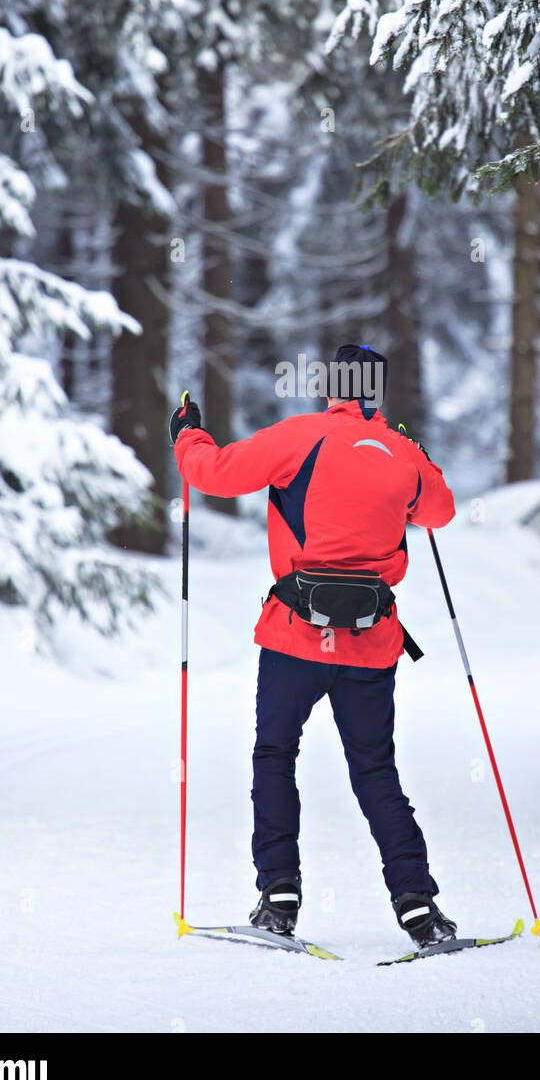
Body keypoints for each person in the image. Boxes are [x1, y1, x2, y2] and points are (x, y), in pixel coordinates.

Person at [169, 343, 457, 947]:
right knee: (376, 770)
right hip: (370, 645)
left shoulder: (301, 436)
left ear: (332, 388)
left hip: (294, 637)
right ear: (377, 392)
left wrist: (188, 434)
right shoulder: (402, 451)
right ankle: (420, 912)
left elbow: (212, 474)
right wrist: (419, 455)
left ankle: (279, 901)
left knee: (275, 756)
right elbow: (440, 512)